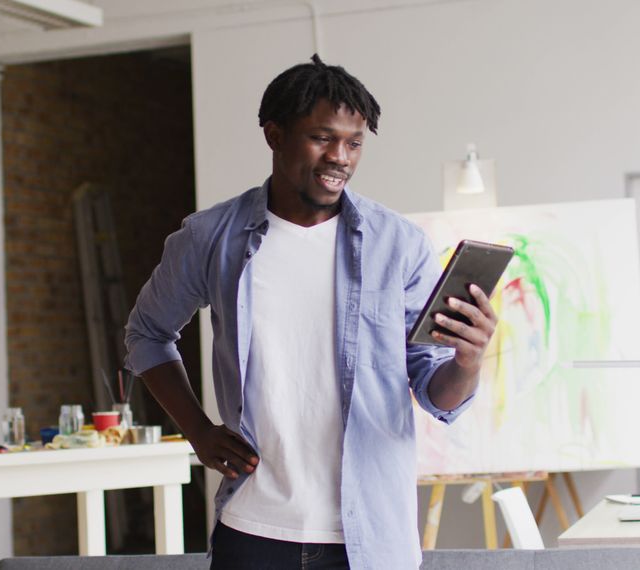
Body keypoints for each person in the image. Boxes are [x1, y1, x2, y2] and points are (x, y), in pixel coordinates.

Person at [124, 55, 498, 569]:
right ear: (274, 135)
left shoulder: (399, 245)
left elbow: (434, 390)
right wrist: (198, 430)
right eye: (323, 138)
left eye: (355, 142)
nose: (340, 157)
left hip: (370, 540)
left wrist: (468, 362)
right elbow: (147, 333)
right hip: (252, 531)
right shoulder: (211, 238)